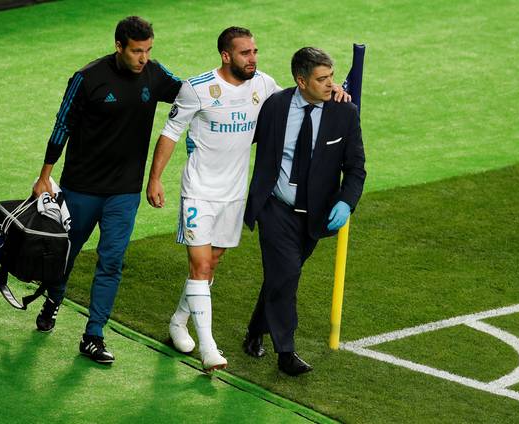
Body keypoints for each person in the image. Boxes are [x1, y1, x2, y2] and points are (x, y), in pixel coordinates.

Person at [146, 28, 348, 371]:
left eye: (254, 51)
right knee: (199, 265)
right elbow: (170, 133)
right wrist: (155, 180)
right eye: (244, 53)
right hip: (198, 191)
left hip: (235, 194)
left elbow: (299, 98)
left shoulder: (263, 86)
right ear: (226, 56)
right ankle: (208, 349)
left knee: (211, 264)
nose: (252, 58)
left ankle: (178, 322)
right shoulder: (197, 89)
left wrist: (333, 91)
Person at [32, 16, 182, 364]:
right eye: (136, 51)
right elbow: (62, 124)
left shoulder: (154, 74)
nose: (143, 58)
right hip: (81, 188)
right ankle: (53, 300)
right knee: (65, 256)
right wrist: (44, 176)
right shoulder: (88, 79)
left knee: (111, 261)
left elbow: (190, 93)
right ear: (119, 47)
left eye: (147, 50)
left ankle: (93, 335)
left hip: (124, 193)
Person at [242, 47, 366, 376]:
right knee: (287, 275)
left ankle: (255, 330)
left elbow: (356, 169)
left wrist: (346, 201)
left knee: (280, 277)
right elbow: (243, 140)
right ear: (301, 81)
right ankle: (286, 352)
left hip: (315, 215)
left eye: (331, 77)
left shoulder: (345, 113)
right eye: (321, 79)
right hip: (275, 208)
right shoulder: (276, 106)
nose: (330, 84)